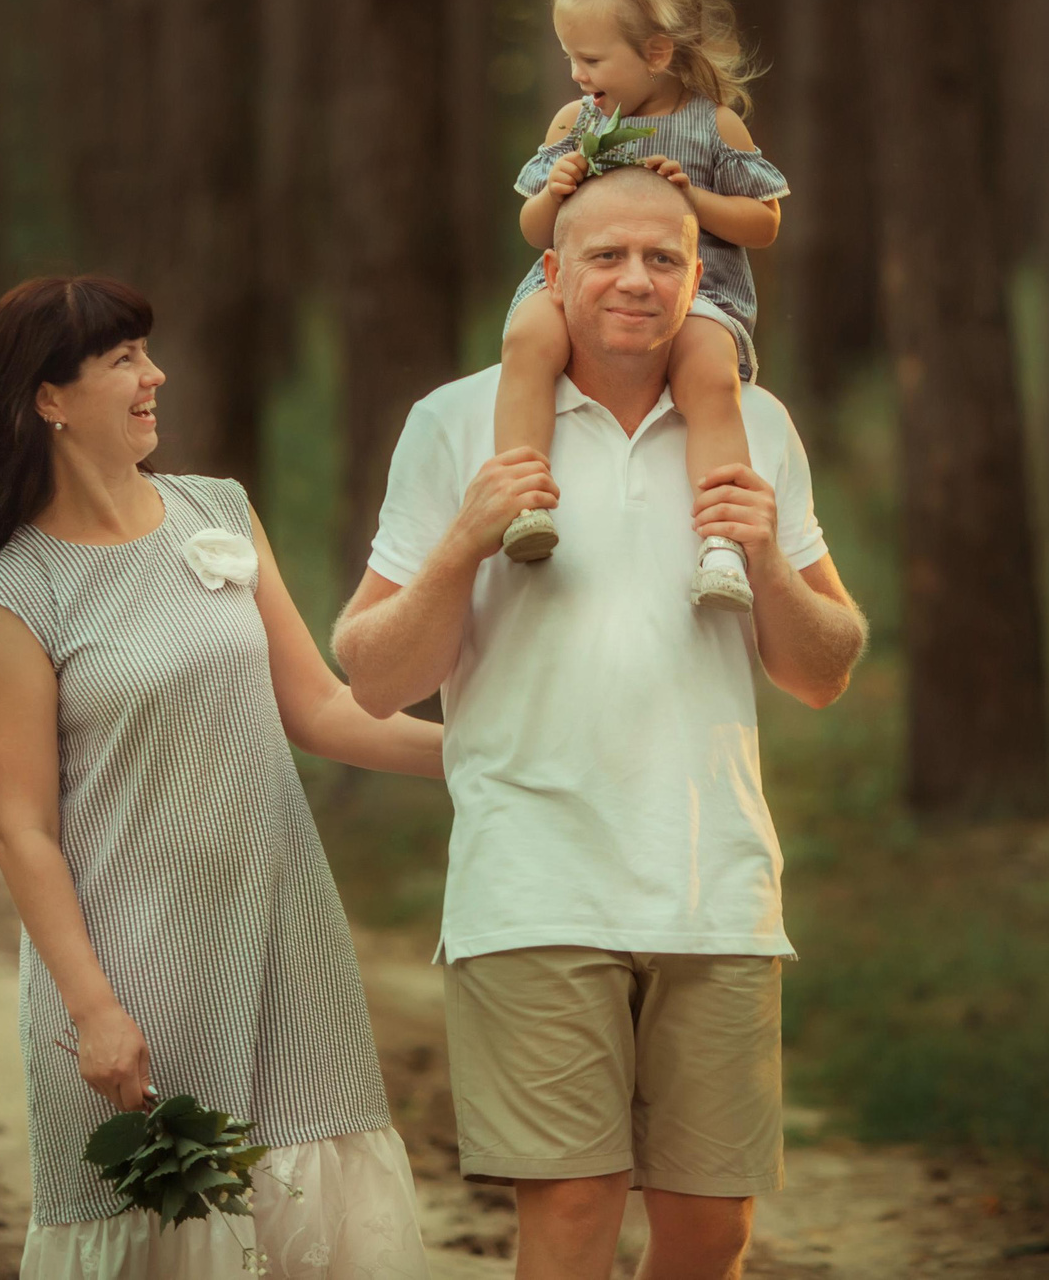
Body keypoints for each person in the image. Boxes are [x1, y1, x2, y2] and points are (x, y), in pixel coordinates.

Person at [332, 169, 869, 1280]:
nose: (636, 280)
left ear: (697, 278)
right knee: (573, 1208)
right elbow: (376, 674)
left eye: (664, 259)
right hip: (533, 880)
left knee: (709, 1227)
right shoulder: (454, 422)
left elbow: (824, 668)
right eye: (607, 256)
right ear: (551, 272)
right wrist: (465, 542)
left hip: (711, 883)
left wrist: (765, 557)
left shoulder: (753, 425)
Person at [0, 276, 441, 1280]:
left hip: (281, 946)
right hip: (131, 974)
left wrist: (480, 756)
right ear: (49, 401)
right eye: (123, 363)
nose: (156, 377)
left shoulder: (218, 512)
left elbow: (318, 708)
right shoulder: (17, 592)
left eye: (146, 354)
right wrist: (92, 1009)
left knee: (316, 1225)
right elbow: (21, 827)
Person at [494, 0, 790, 616]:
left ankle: (721, 543)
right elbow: (533, 228)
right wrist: (556, 189)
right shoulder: (576, 121)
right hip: (576, 286)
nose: (577, 74)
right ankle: (521, 498)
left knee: (708, 372)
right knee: (528, 337)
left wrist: (692, 196)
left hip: (697, 293)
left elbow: (765, 222)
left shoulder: (714, 126)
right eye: (570, 57)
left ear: (656, 53)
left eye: (591, 59)